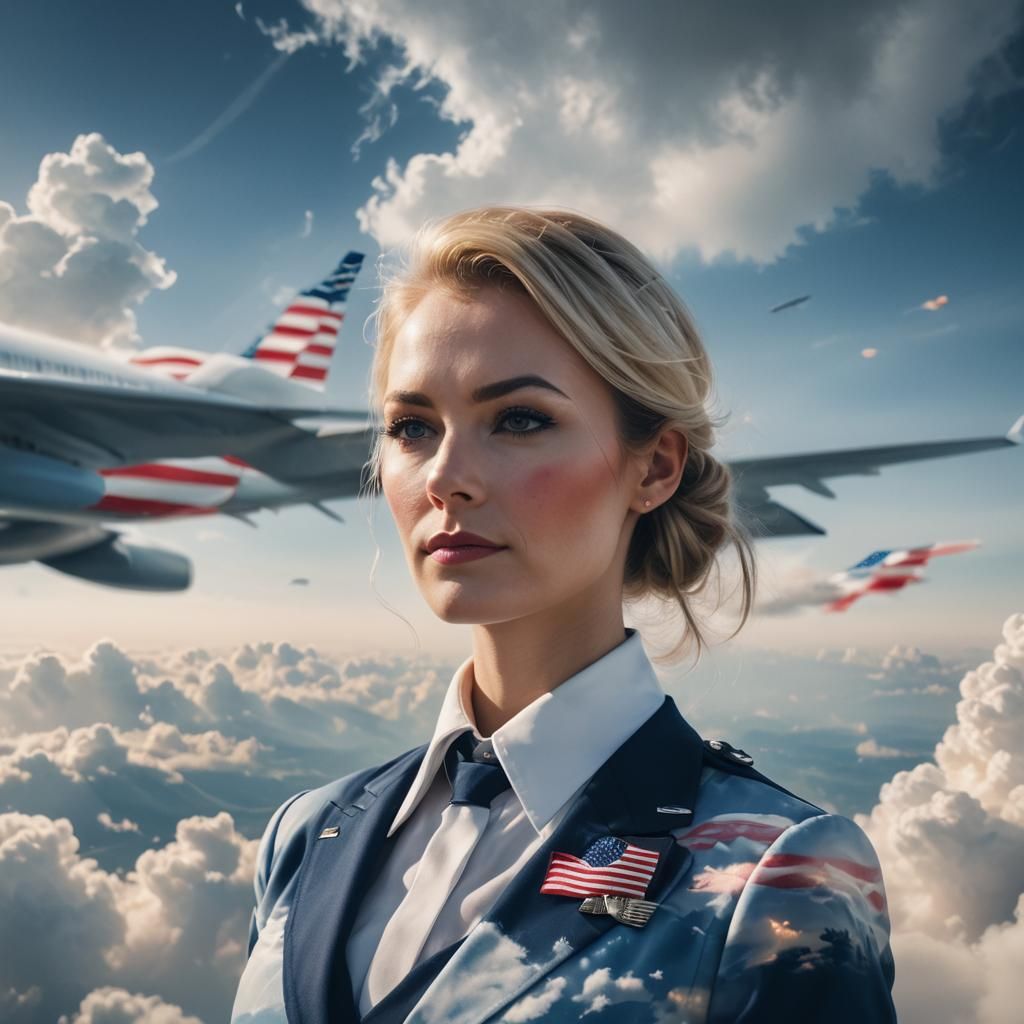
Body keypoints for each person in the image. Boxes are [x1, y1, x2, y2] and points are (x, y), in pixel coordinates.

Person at [231, 206, 897, 1024]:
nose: (445, 477)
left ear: (653, 467)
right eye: (412, 427)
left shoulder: (777, 870)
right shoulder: (304, 836)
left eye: (519, 419)